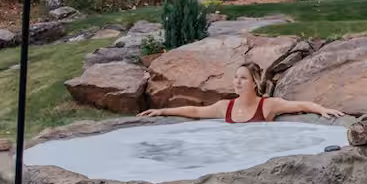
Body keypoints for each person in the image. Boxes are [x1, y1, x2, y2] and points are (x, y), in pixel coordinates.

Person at [137, 62, 345, 123]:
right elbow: (196, 112)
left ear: (254, 82)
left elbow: (300, 105)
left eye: (243, 78)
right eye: (236, 77)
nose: (237, 82)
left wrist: (322, 109)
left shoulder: (268, 105)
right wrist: (162, 111)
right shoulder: (225, 107)